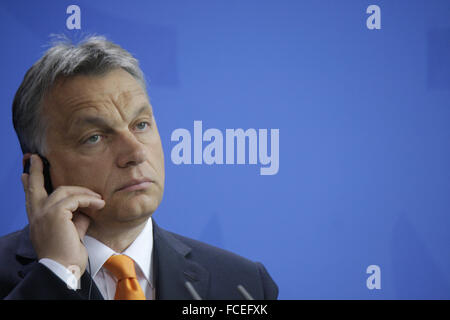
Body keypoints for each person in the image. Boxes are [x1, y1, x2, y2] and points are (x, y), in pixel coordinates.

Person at [0, 36, 278, 300]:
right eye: (94, 137)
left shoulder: (243, 284)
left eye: (141, 125)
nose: (136, 152)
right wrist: (56, 272)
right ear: (38, 171)